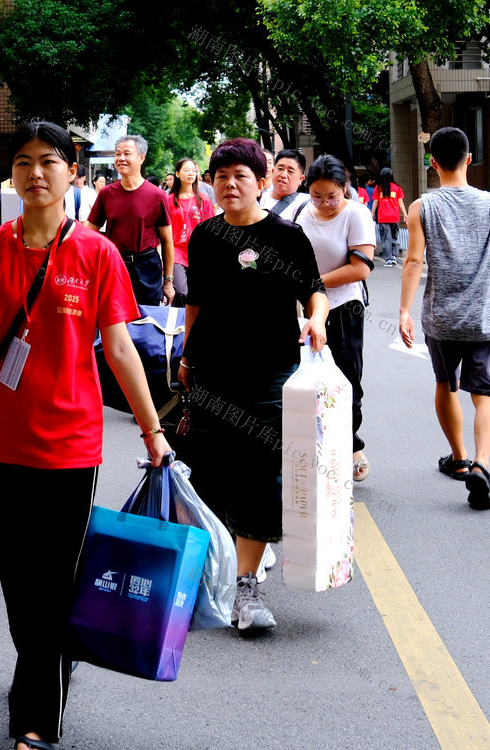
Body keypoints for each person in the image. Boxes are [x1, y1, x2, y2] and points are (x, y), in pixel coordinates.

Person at [0, 121, 171, 750]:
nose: (35, 173)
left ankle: (36, 719)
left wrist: (152, 429)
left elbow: (118, 349)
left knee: (56, 582)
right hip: (0, 448)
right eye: (23, 162)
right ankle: (43, 666)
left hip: (71, 448)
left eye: (48, 161)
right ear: (12, 175)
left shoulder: (96, 253)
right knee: (21, 581)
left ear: (72, 172)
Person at [178, 137, 328, 631]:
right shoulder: (203, 237)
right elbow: (195, 303)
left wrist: (317, 320)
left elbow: (315, 291)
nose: (230, 184)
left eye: (241, 176)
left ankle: (246, 587)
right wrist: (186, 354)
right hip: (212, 376)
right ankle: (212, 576)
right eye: (221, 177)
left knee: (262, 477)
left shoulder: (286, 237)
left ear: (261, 183)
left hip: (270, 378)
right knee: (212, 475)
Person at [399, 127, 490, 509]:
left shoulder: (422, 207)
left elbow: (414, 261)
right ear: (469, 159)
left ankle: (459, 459)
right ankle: (482, 465)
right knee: (485, 394)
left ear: (432, 162)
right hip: (486, 317)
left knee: (446, 384)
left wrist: (403, 311)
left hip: (442, 318)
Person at [296, 155, 376, 482]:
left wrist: (314, 281)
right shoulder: (302, 213)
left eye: (333, 195)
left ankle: (352, 446)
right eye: (317, 196)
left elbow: (360, 268)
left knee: (346, 381)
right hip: (308, 309)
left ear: (345, 187)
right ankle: (318, 447)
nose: (326, 203)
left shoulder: (356, 214)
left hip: (345, 308)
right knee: (307, 380)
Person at [86, 135, 175, 306]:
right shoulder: (106, 194)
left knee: (147, 319)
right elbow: (90, 233)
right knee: (114, 320)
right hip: (115, 265)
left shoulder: (157, 196)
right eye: (118, 154)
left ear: (141, 158)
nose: (121, 158)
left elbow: (167, 241)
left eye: (127, 154)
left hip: (147, 267)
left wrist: (168, 281)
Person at [167, 157, 215, 306]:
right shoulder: (168, 200)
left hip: (198, 252)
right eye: (186, 170)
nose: (190, 173)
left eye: (193, 170)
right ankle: (179, 325)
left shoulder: (204, 199)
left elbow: (211, 228)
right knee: (181, 292)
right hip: (176, 252)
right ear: (177, 173)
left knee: (198, 293)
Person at [258, 149, 310, 221]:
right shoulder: (257, 200)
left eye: (290, 171)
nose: (283, 175)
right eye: (280, 169)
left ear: (301, 179)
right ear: (273, 171)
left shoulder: (308, 204)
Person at [372, 167, 409, 266]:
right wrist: (405, 215)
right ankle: (394, 256)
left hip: (383, 217)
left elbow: (376, 201)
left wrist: (372, 213)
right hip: (395, 216)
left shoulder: (378, 188)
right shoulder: (397, 188)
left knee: (386, 238)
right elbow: (400, 201)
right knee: (394, 237)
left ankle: (388, 258)